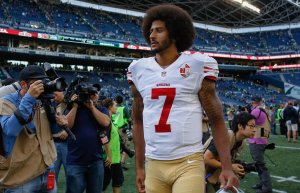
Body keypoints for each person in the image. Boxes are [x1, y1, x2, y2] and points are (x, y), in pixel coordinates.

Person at [127, 4, 238, 193]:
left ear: (176, 33)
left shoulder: (197, 65)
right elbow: (137, 120)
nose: (152, 35)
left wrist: (226, 167)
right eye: (151, 30)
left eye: (159, 30)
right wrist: (139, 167)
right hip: (154, 163)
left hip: (188, 161)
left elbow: (216, 119)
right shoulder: (138, 69)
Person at [0, 65, 67, 192]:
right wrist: (29, 98)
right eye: (36, 83)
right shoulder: (6, 102)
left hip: (48, 169)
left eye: (43, 82)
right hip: (21, 175)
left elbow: (52, 132)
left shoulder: (44, 101)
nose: (42, 86)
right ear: (23, 84)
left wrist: (58, 122)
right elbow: (10, 130)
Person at [66, 84, 111, 193]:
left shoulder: (101, 109)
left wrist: (91, 107)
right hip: (75, 161)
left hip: (95, 160)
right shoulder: (73, 109)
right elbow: (67, 125)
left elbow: (105, 122)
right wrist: (75, 106)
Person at [204, 112, 256, 193]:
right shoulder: (226, 135)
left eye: (254, 126)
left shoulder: (242, 142)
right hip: (201, 172)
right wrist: (230, 167)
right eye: (251, 126)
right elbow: (206, 158)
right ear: (240, 126)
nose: (254, 129)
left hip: (214, 175)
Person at [249, 96, 272, 193]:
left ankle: (267, 188)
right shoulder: (264, 110)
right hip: (262, 139)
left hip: (256, 140)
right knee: (259, 164)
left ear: (253, 102)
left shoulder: (255, 111)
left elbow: (249, 123)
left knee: (260, 165)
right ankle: (262, 183)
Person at [102, 98, 124, 193]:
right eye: (115, 105)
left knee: (117, 183)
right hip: (108, 159)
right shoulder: (106, 122)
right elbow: (103, 138)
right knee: (101, 185)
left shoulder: (110, 121)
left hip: (115, 159)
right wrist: (108, 155)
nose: (116, 107)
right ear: (110, 107)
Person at [51, 91, 69, 188]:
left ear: (63, 93)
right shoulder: (50, 104)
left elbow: (78, 122)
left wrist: (68, 131)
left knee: (71, 174)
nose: (54, 96)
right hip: (52, 143)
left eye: (56, 94)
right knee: (51, 174)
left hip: (67, 144)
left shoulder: (70, 105)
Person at [112, 95, 132, 170]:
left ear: (115, 100)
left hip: (113, 128)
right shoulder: (124, 108)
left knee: (116, 145)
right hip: (122, 129)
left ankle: (115, 162)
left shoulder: (113, 107)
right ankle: (122, 163)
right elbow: (129, 119)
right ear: (122, 101)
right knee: (125, 146)